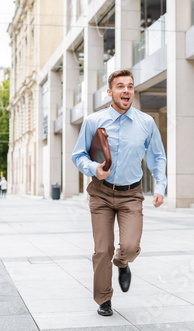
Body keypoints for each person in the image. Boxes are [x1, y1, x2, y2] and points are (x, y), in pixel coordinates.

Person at [72, 69, 167, 317]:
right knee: (102, 249)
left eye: (130, 86)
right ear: (110, 91)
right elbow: (78, 155)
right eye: (120, 86)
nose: (126, 91)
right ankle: (104, 299)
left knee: (131, 245)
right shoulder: (94, 121)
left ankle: (122, 262)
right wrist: (94, 168)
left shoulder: (146, 122)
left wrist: (160, 186)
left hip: (131, 194)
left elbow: (158, 156)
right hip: (101, 194)